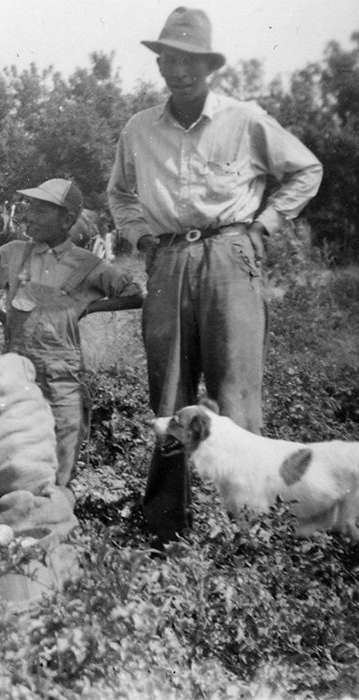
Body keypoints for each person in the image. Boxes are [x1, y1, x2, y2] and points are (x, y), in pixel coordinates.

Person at [107, 7, 323, 543]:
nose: (179, 71)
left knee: (237, 392)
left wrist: (263, 226)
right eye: (169, 60)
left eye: (190, 62)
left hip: (230, 255)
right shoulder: (139, 128)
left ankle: (251, 527)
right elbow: (118, 193)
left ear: (209, 66)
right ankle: (163, 527)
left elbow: (306, 169)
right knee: (169, 394)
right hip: (169, 258)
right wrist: (142, 239)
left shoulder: (244, 119)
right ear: (159, 65)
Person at [0, 179, 144, 487]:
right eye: (30, 207)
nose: (29, 216)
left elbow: (135, 294)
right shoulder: (12, 253)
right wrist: (1, 315)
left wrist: (89, 307)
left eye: (41, 210)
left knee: (61, 458)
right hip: (18, 372)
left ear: (67, 220)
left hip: (62, 378)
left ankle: (56, 517)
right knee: (14, 451)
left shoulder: (87, 263)